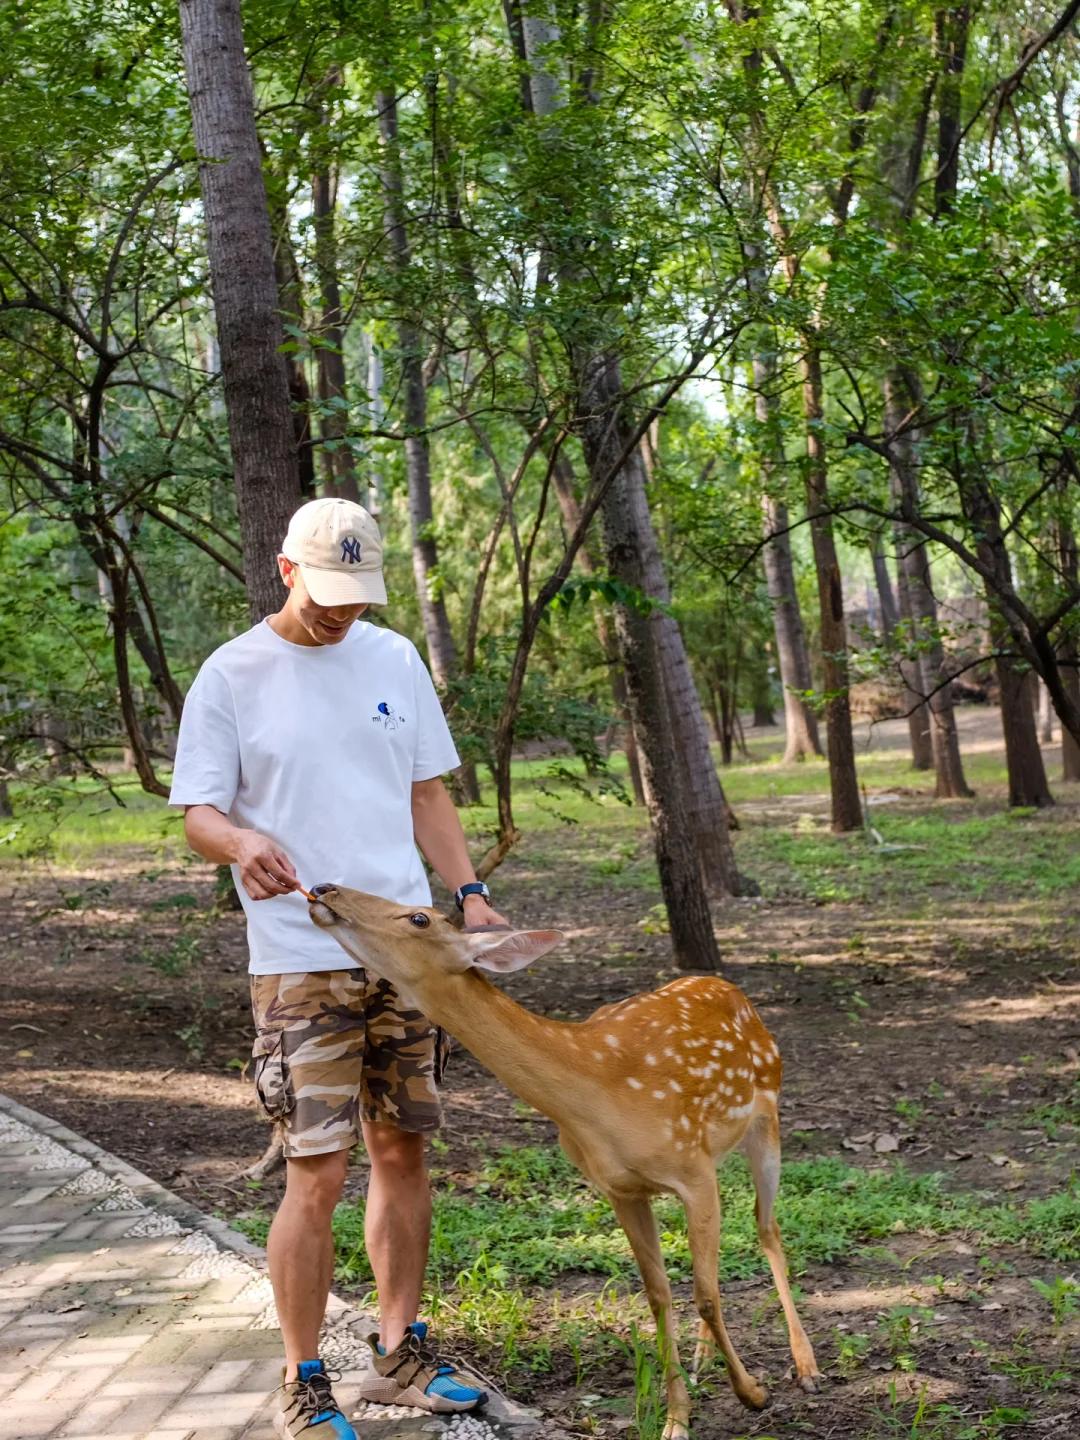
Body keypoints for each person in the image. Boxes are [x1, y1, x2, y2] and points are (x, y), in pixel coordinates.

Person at [169, 498, 506, 1440]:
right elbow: (198, 812)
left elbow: (426, 792)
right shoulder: (232, 674)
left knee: (403, 1152)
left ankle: (400, 1354)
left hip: (405, 953)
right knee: (316, 1171)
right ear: (287, 571)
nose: (341, 612)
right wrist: (239, 843)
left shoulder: (394, 658)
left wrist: (471, 891)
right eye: (325, 594)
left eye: (356, 596)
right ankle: (304, 1378)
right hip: (301, 959)